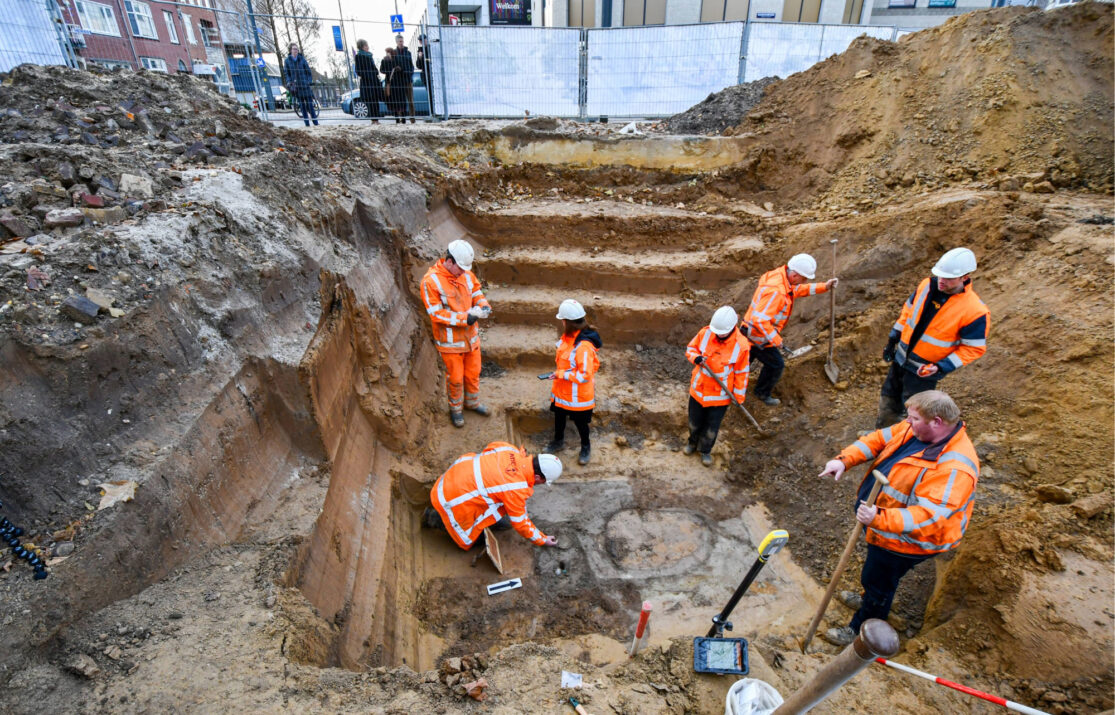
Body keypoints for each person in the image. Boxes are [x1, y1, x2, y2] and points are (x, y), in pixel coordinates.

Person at [817, 390, 979, 646]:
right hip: (884, 523)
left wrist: (878, 517)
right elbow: (877, 439)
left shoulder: (955, 468)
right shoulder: (915, 428)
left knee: (879, 581)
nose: (907, 421)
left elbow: (928, 518)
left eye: (914, 418)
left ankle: (863, 631)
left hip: (908, 541)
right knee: (874, 576)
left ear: (936, 421)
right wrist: (844, 461)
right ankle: (868, 597)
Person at [877, 247, 989, 428]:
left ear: (965, 277)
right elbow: (908, 311)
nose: (942, 281)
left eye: (949, 278)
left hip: (924, 371)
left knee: (915, 410)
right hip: (901, 358)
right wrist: (893, 338)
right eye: (940, 276)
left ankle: (904, 446)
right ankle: (882, 434)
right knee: (889, 395)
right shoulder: (927, 285)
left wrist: (940, 367)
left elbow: (973, 348)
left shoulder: (975, 311)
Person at [424, 442, 562, 551]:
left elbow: (487, 451)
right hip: (451, 500)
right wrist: (543, 539)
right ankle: (434, 518)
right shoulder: (516, 489)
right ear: (537, 477)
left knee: (500, 503)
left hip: (449, 479)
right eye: (544, 482)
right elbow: (520, 523)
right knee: (474, 537)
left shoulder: (509, 449)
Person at [742, 254, 837, 406]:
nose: (804, 281)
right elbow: (759, 320)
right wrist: (776, 340)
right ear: (794, 275)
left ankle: (731, 385)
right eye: (803, 278)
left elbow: (799, 290)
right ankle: (761, 393)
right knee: (776, 365)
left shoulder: (781, 277)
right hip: (757, 334)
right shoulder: (777, 291)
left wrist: (824, 287)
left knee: (743, 361)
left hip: (750, 331)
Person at [420, 239, 492, 427]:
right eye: (459, 268)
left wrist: (483, 305)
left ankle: (472, 403)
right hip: (451, 344)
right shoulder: (431, 282)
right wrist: (463, 318)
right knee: (456, 379)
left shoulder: (465, 275)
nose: (462, 272)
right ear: (449, 261)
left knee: (473, 373)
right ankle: (456, 410)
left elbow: (476, 292)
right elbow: (436, 314)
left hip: (471, 339)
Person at [685, 306, 750, 467]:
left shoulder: (741, 345)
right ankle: (692, 443)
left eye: (722, 333)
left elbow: (742, 373)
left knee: (711, 427)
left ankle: (705, 450)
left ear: (732, 328)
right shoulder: (705, 333)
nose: (718, 334)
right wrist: (696, 358)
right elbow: (690, 349)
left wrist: (739, 397)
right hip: (698, 390)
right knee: (694, 421)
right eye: (717, 332)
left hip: (720, 396)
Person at [543, 299, 602, 466]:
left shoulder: (583, 346)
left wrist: (560, 374)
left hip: (579, 397)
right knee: (559, 417)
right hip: (562, 391)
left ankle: (585, 447)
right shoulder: (568, 338)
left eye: (562, 320)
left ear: (566, 322)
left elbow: (584, 375)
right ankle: (558, 441)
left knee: (581, 423)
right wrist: (559, 375)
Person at [283, 43, 318, 127]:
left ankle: (315, 122)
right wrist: (289, 82)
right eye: (294, 49)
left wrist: (308, 81)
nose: (296, 51)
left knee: (310, 105)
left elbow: (308, 71)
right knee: (302, 106)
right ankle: (307, 124)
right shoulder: (287, 61)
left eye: (297, 49)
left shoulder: (302, 59)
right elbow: (286, 73)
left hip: (305, 85)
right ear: (290, 50)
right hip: (296, 87)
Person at [353, 39, 382, 123]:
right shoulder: (359, 56)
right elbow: (358, 70)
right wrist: (368, 75)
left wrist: (375, 72)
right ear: (362, 47)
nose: (368, 47)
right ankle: (373, 119)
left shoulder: (369, 56)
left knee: (375, 100)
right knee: (370, 101)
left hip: (374, 81)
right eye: (366, 46)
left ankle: (377, 119)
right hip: (367, 82)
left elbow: (374, 68)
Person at [394, 34, 416, 123]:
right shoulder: (394, 53)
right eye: (400, 41)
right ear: (396, 42)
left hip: (408, 80)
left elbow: (411, 66)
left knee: (411, 101)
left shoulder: (408, 53)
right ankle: (401, 118)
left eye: (402, 41)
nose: (401, 43)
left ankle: (412, 118)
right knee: (400, 101)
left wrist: (410, 73)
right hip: (399, 82)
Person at [416, 34, 432, 112]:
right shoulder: (420, 51)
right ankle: (432, 111)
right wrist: (420, 57)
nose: (422, 42)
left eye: (424, 40)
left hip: (432, 73)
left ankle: (437, 111)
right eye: (421, 40)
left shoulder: (430, 48)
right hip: (425, 75)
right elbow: (418, 65)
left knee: (434, 93)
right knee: (429, 94)